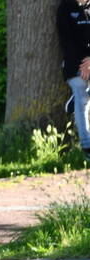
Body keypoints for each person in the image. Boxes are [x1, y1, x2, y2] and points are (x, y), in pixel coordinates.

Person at [58, 0, 90, 161]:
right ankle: (87, 145)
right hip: (75, 65)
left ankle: (75, 99)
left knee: (82, 96)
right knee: (82, 98)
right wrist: (83, 66)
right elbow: (67, 43)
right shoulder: (65, 8)